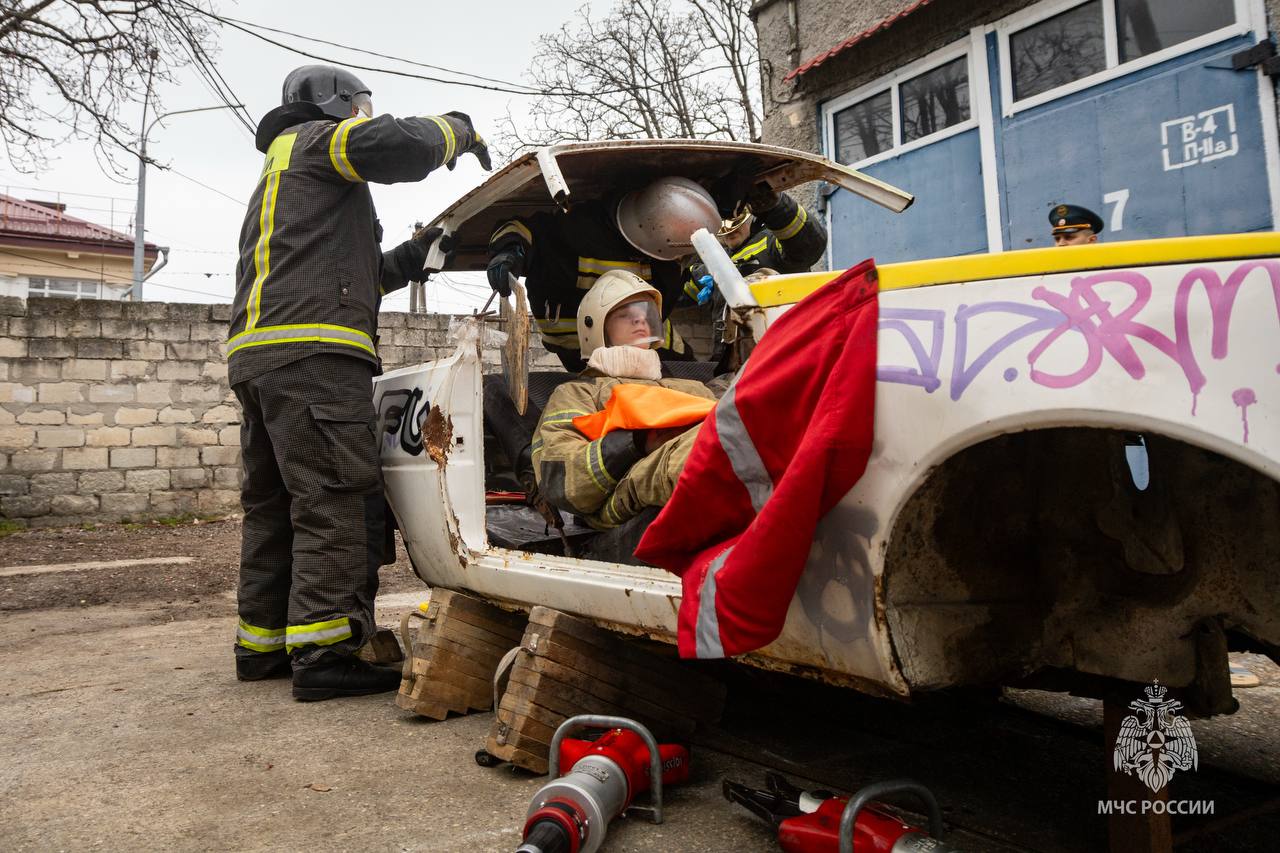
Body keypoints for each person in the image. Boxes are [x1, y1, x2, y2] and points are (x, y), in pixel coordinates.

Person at [228, 64, 490, 701]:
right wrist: (456, 131)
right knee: (336, 499)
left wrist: (417, 253)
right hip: (315, 357)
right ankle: (328, 650)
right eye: (362, 106)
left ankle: (263, 644)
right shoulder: (315, 140)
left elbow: (353, 276)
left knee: (278, 508)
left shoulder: (286, 178)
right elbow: (397, 144)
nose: (366, 116)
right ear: (338, 106)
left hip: (265, 359)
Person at [532, 271, 716, 530]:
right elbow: (561, 481)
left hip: (699, 467)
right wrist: (635, 443)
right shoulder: (577, 393)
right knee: (716, 450)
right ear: (596, 326)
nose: (640, 320)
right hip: (634, 489)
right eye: (625, 315)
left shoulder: (690, 386)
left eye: (645, 313)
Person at [485, 176, 723, 371]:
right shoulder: (579, 231)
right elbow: (524, 229)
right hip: (576, 347)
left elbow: (664, 302)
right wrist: (509, 250)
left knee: (692, 382)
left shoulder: (666, 251)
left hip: (652, 345)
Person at [684, 185, 828, 302]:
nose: (729, 229)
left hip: (777, 332)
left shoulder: (771, 242)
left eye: (735, 218)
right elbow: (680, 292)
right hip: (734, 336)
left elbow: (808, 247)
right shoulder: (717, 260)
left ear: (751, 215)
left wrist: (777, 208)